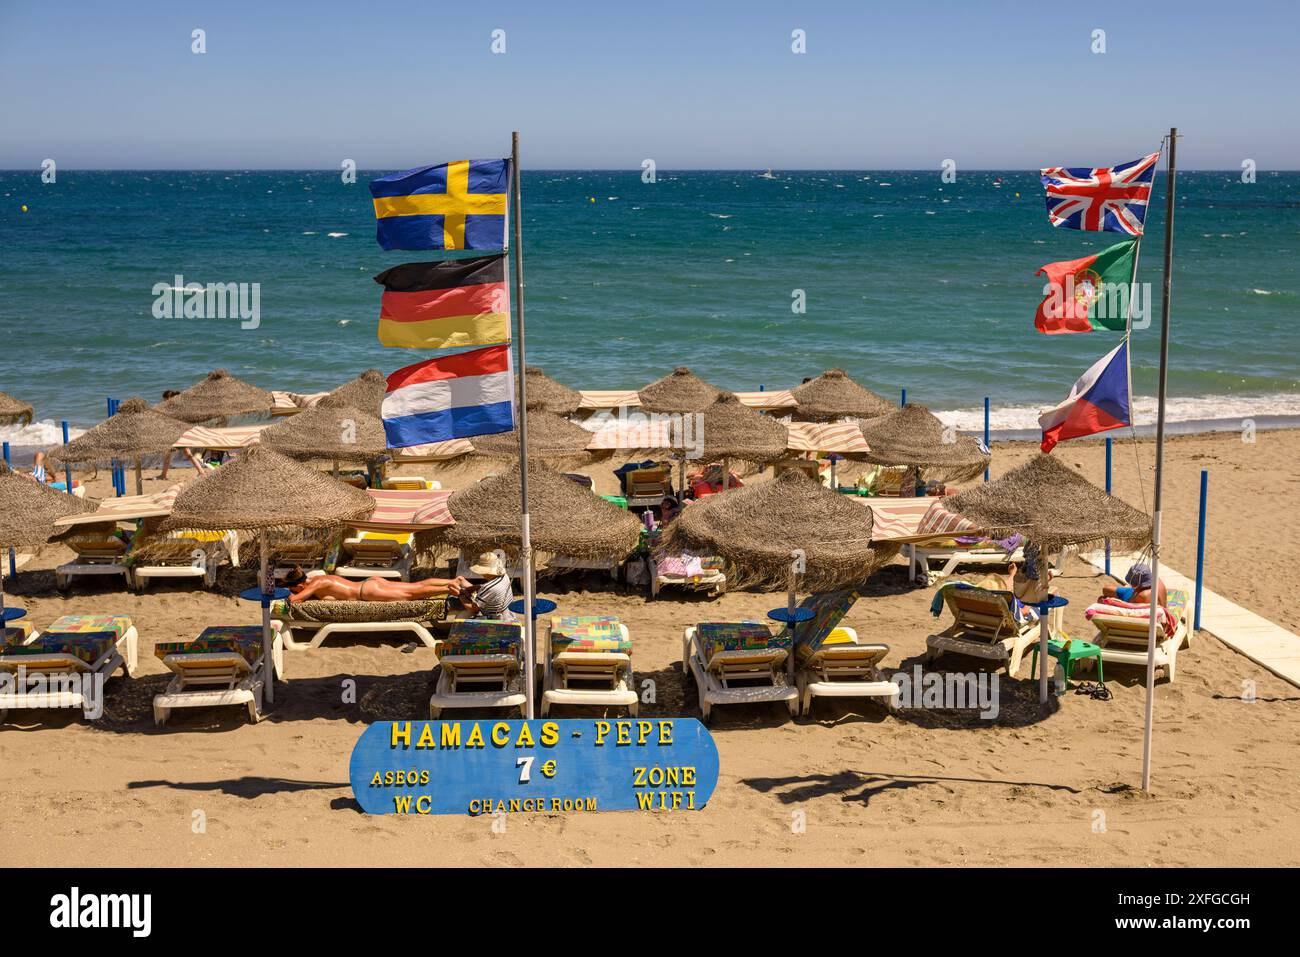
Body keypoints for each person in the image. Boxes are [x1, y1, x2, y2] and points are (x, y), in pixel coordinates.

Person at [288, 571, 471, 604]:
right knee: (416, 585)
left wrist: (282, 595)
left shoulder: (316, 584)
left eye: (293, 588)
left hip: (367, 592)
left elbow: (295, 600)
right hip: (370, 584)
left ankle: (450, 589)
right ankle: (454, 580)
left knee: (411, 594)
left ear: (299, 585)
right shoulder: (318, 577)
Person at [158, 391, 205, 479]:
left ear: (169, 398)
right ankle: (201, 471)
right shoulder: (177, 408)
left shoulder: (173, 409)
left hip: (177, 435)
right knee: (186, 453)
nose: (163, 401)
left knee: (170, 454)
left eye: (164, 399)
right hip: (179, 434)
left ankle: (163, 475)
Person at [458, 552, 517, 621]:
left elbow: (473, 609)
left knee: (460, 616)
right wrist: (473, 588)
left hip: (493, 617)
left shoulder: (488, 588)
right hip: (504, 610)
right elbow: (486, 588)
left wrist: (461, 595)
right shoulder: (504, 576)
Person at [1102, 562, 1167, 610]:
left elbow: (1128, 609)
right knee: (1106, 589)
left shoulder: (1143, 596)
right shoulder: (1157, 580)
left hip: (1133, 597)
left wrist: (1111, 602)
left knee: (1103, 599)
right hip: (1136, 592)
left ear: (1135, 585)